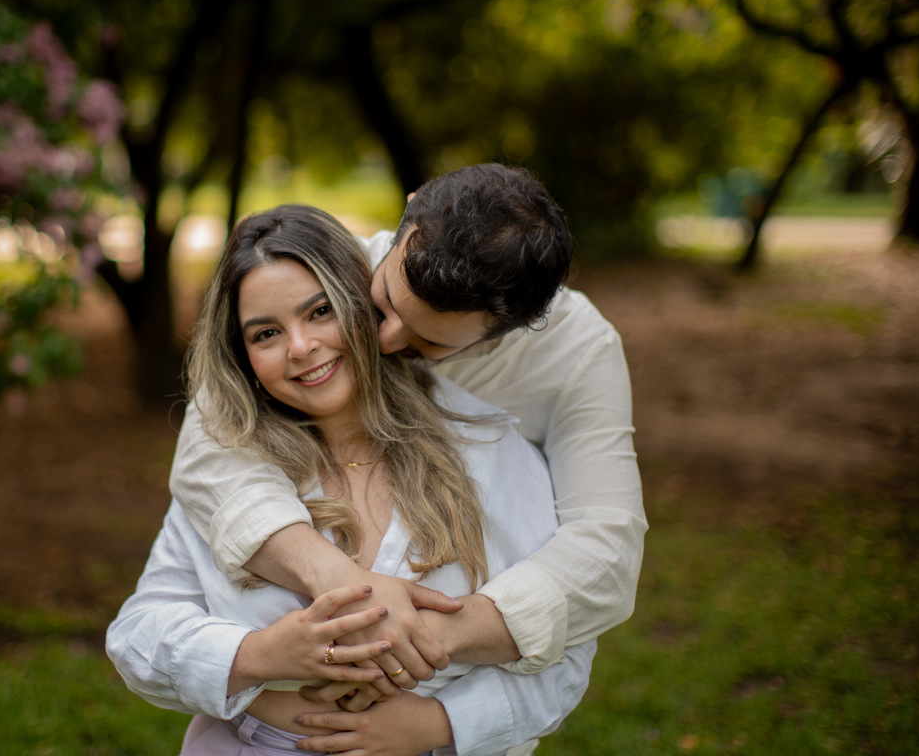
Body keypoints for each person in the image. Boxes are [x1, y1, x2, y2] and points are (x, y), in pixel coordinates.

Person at [108, 205, 595, 755]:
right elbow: (137, 635)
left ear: (364, 307)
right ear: (243, 358)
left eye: (319, 312)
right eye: (266, 333)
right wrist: (263, 654)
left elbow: (566, 655)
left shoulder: (487, 450)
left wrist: (440, 723)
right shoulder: (232, 467)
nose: (300, 346)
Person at [169, 163, 646, 691]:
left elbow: (606, 550)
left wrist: (425, 640)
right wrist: (340, 579)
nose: (386, 340)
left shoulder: (580, 356)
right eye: (386, 304)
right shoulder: (333, 266)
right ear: (409, 213)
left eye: (428, 342)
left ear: (503, 335)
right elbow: (211, 437)